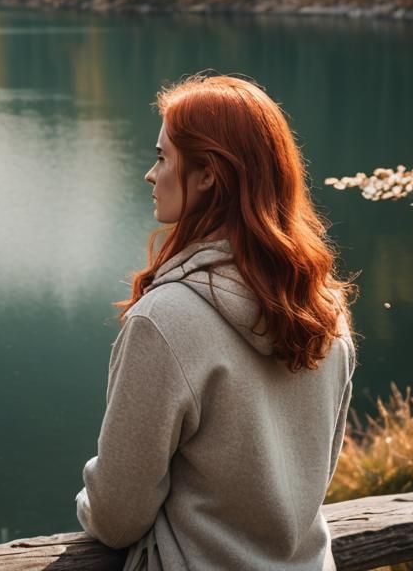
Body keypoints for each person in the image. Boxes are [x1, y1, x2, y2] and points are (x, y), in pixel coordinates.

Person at [75, 73, 355, 571]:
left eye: (163, 158)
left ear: (207, 174)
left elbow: (117, 516)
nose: (149, 174)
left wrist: (88, 501)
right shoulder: (325, 309)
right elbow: (311, 479)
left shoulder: (164, 322)